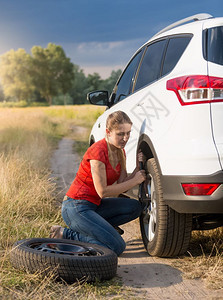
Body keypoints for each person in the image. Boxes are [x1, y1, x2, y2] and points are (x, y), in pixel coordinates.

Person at [50, 110, 146, 256]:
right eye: (120, 134)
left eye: (128, 133)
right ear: (108, 132)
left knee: (135, 207)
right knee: (117, 246)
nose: (125, 138)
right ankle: (64, 234)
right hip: (75, 207)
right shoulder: (97, 151)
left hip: (95, 206)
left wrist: (137, 170)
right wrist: (135, 180)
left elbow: (122, 185)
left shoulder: (121, 152)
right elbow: (103, 191)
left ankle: (99, 230)